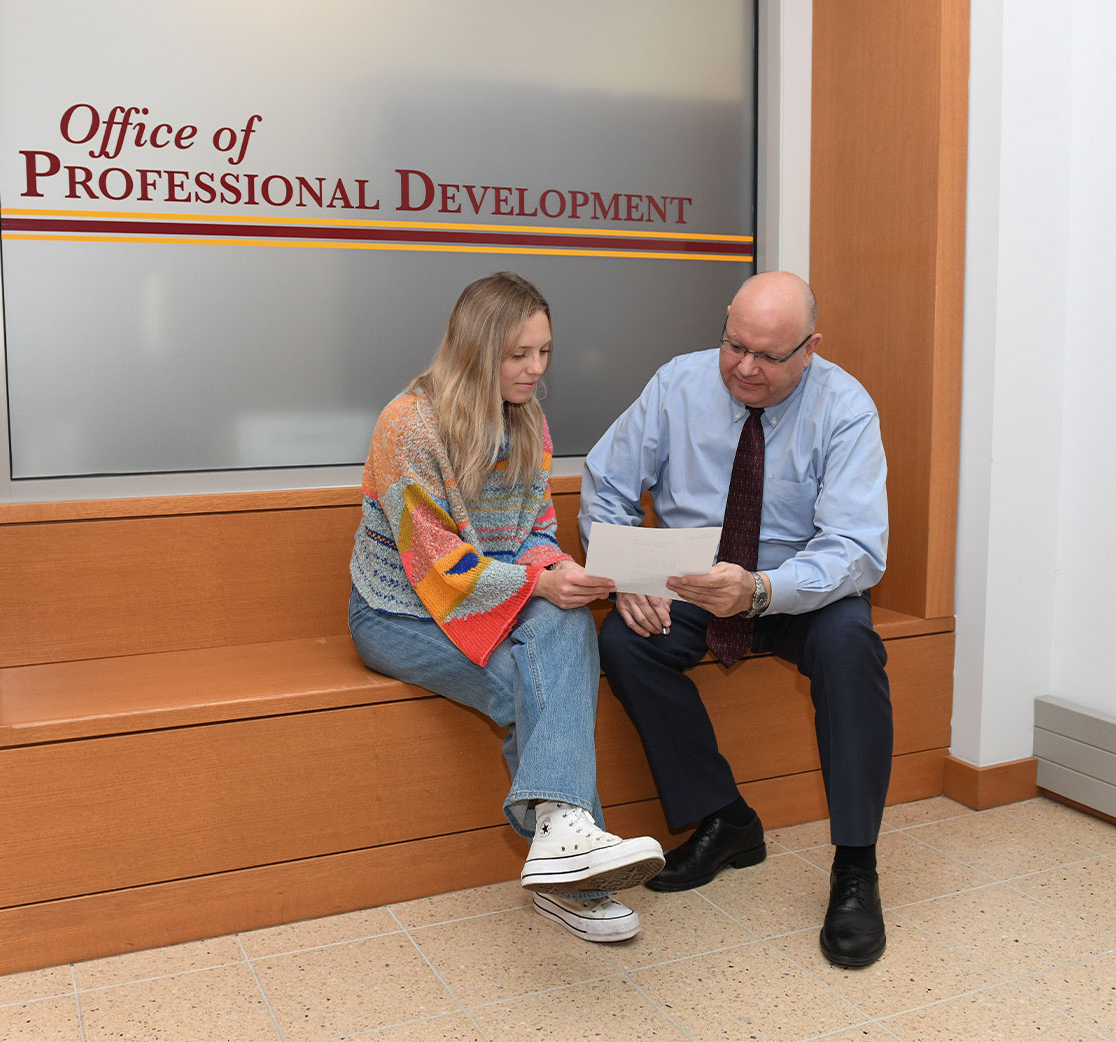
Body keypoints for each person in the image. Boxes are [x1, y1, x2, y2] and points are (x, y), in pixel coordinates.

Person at [578, 270, 892, 967]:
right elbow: (607, 486)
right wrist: (630, 574)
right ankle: (727, 819)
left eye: (769, 356)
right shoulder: (677, 385)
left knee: (852, 648)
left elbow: (857, 548)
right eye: (734, 346)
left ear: (810, 348)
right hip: (692, 578)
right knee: (624, 641)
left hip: (798, 586)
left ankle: (855, 867)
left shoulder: (845, 408)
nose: (745, 368)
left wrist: (759, 590)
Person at [348, 271, 664, 943]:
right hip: (398, 614)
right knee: (535, 678)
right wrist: (536, 584)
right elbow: (434, 565)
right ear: (475, 349)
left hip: (493, 597)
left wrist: (560, 570)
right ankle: (573, 873)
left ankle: (560, 844)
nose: (535, 368)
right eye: (518, 355)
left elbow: (536, 531)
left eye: (544, 352)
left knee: (569, 616)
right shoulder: (407, 426)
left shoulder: (528, 423)